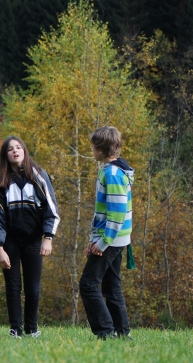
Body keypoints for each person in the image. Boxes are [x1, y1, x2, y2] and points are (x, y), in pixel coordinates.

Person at [0, 136, 60, 338]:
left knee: (33, 288)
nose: (15, 151)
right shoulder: (1, 183)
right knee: (13, 287)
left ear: (24, 151)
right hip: (10, 242)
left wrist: (48, 237)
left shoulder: (39, 176)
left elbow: (52, 209)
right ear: (6, 155)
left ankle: (32, 329)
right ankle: (15, 330)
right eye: (10, 149)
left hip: (33, 241)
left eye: (18, 147)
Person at [79, 126, 134, 340]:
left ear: (101, 148)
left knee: (88, 284)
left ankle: (106, 332)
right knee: (111, 285)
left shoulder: (112, 173)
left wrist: (102, 243)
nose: (91, 150)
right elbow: (103, 213)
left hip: (111, 239)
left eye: (93, 146)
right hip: (112, 238)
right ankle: (122, 333)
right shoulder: (114, 170)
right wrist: (94, 240)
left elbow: (117, 213)